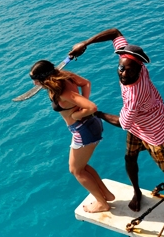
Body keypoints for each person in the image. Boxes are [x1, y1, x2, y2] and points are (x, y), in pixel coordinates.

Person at [69, 28, 164, 221]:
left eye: (129, 70)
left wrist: (97, 113)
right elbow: (115, 33)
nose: (123, 73)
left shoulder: (135, 96)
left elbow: (123, 123)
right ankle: (137, 192)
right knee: (130, 159)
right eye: (121, 67)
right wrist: (85, 44)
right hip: (138, 124)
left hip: (155, 131)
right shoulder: (131, 58)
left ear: (139, 70)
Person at [30, 60, 113, 213]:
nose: (34, 83)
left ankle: (102, 204)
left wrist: (78, 113)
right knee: (82, 167)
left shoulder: (62, 91)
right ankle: (106, 195)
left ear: (44, 78)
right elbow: (86, 83)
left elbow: (92, 107)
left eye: (35, 79)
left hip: (82, 129)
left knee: (76, 171)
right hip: (88, 126)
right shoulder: (64, 76)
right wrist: (81, 105)